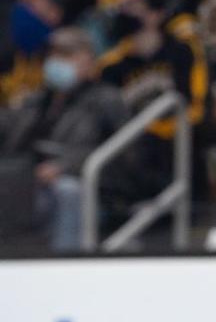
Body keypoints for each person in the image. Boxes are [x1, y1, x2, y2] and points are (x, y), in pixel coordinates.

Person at [0, 27, 128, 251]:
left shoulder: (106, 100)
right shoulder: (36, 101)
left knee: (67, 190)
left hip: (86, 187)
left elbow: (123, 153)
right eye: (54, 55)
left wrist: (65, 166)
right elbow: (10, 131)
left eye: (66, 55)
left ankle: (63, 264)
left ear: (88, 59)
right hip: (26, 181)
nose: (56, 62)